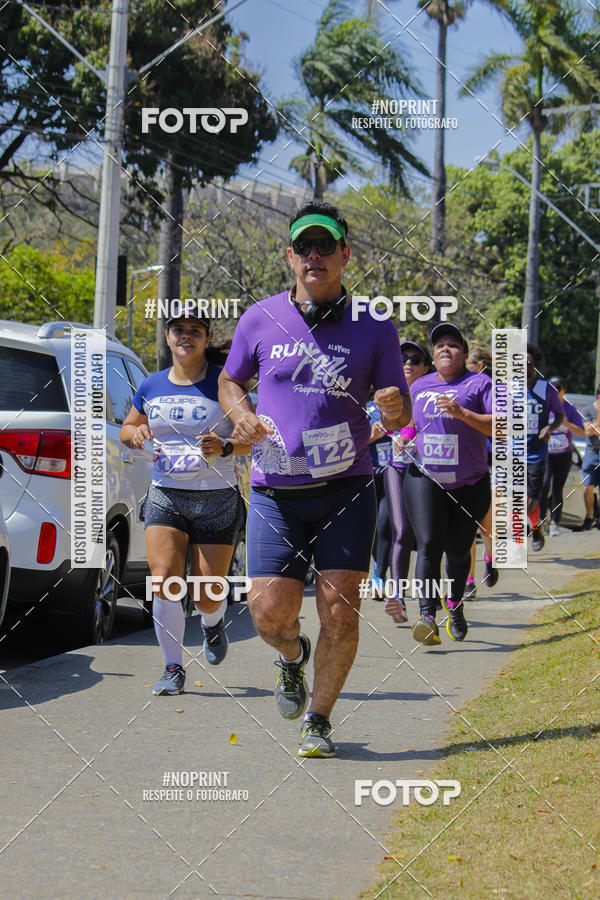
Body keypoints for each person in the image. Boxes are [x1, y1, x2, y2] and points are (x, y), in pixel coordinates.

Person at [218, 199, 410, 757]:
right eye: (305, 246)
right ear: (290, 256)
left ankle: (319, 722)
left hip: (346, 488)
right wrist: (240, 414)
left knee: (339, 609)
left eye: (326, 246)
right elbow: (230, 381)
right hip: (275, 492)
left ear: (345, 254)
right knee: (267, 614)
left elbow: (400, 412)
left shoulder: (375, 325)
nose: (315, 256)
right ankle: (291, 655)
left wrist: (394, 407)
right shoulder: (260, 317)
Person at [120, 306, 249, 696]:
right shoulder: (152, 384)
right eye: (178, 329)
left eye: (195, 330)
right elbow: (128, 427)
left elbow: (252, 437)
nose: (186, 336)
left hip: (216, 498)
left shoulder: (224, 384)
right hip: (166, 494)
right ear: (168, 337)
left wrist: (225, 445)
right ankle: (172, 668)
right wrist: (135, 435)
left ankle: (212, 622)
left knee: (207, 595)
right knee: (164, 582)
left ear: (206, 339)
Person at [403, 323, 492, 646]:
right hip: (425, 477)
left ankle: (454, 603)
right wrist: (404, 437)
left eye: (453, 344)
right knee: (428, 544)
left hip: (470, 482)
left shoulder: (480, 383)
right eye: (439, 344)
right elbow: (411, 424)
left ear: (464, 354)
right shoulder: (420, 386)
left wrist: (462, 413)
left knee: (457, 550)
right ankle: (427, 615)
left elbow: (500, 426)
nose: (445, 348)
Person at [382, 339, 431, 625]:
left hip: (427, 472)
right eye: (403, 359)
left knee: (426, 537)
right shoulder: (388, 391)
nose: (408, 363)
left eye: (415, 359)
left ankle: (431, 602)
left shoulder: (432, 392)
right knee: (400, 531)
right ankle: (397, 597)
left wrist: (409, 435)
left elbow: (417, 424)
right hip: (396, 467)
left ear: (426, 367)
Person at [464, 344, 498, 598]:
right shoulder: (458, 387)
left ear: (479, 366)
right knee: (466, 528)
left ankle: (490, 557)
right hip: (465, 462)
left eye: (468, 363)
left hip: (490, 462)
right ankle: (468, 580)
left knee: (485, 525)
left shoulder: (491, 389)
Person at [525, 345, 564, 551]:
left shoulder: (546, 388)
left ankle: (535, 528)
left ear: (535, 365)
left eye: (528, 363)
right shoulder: (508, 389)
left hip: (536, 454)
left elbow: (560, 415)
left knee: (529, 503)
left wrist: (550, 427)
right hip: (513, 453)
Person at [540, 376, 585, 535]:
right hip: (547, 454)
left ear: (564, 390)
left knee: (557, 488)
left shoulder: (570, 409)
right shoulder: (544, 406)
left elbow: (581, 432)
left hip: (564, 455)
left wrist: (566, 423)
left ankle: (555, 522)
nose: (553, 391)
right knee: (544, 485)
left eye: (557, 388)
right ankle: (541, 520)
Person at [366, 397, 393, 597]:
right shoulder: (363, 408)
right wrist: (372, 435)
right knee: (375, 529)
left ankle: (383, 575)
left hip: (393, 475)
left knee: (385, 525)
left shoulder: (400, 406)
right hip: (368, 476)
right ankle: (378, 573)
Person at [580, 384, 600, 530]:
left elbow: (594, 429)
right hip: (591, 451)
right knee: (588, 486)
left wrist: (595, 427)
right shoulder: (587, 410)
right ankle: (590, 515)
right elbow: (588, 431)